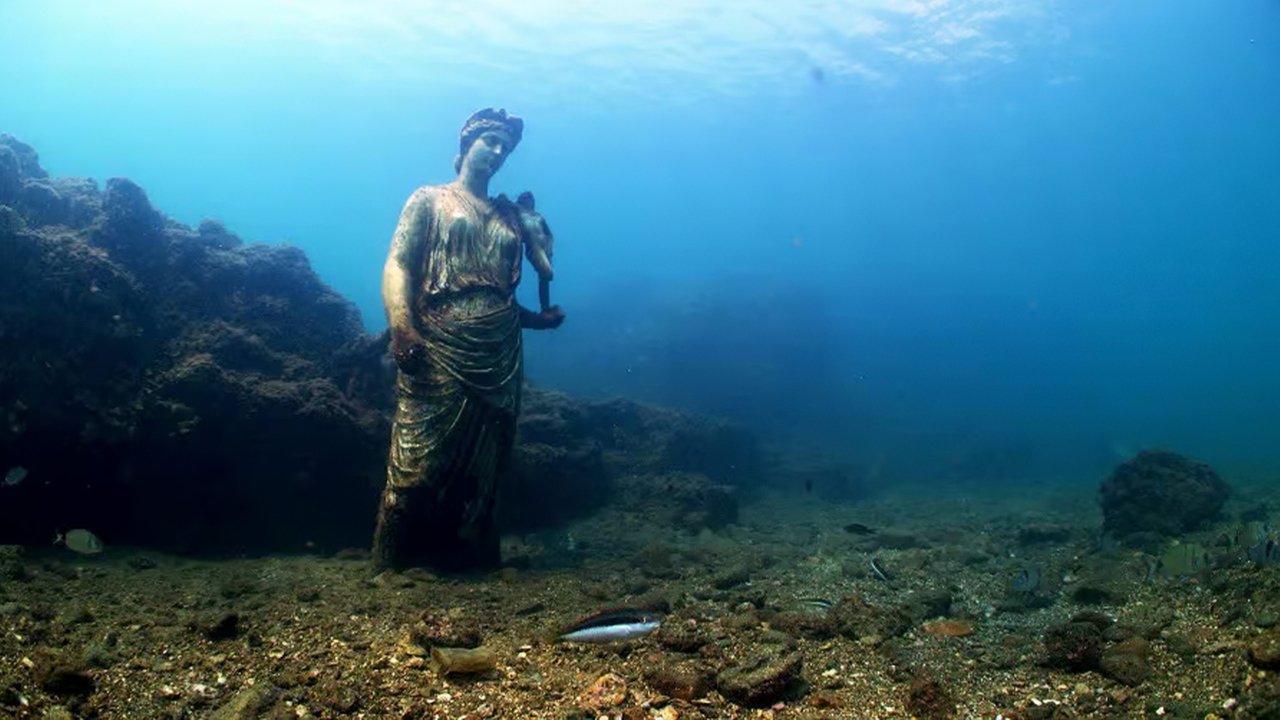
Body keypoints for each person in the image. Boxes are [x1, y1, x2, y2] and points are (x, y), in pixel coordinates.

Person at [374, 108, 564, 571]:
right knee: (415, 463)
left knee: (486, 468)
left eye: (506, 147)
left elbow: (498, 296)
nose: (498, 152)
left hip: (499, 353)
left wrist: (538, 320)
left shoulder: (509, 218)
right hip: (438, 342)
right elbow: (399, 264)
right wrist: (402, 326)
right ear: (466, 145)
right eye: (491, 141)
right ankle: (387, 565)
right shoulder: (429, 199)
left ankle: (475, 563)